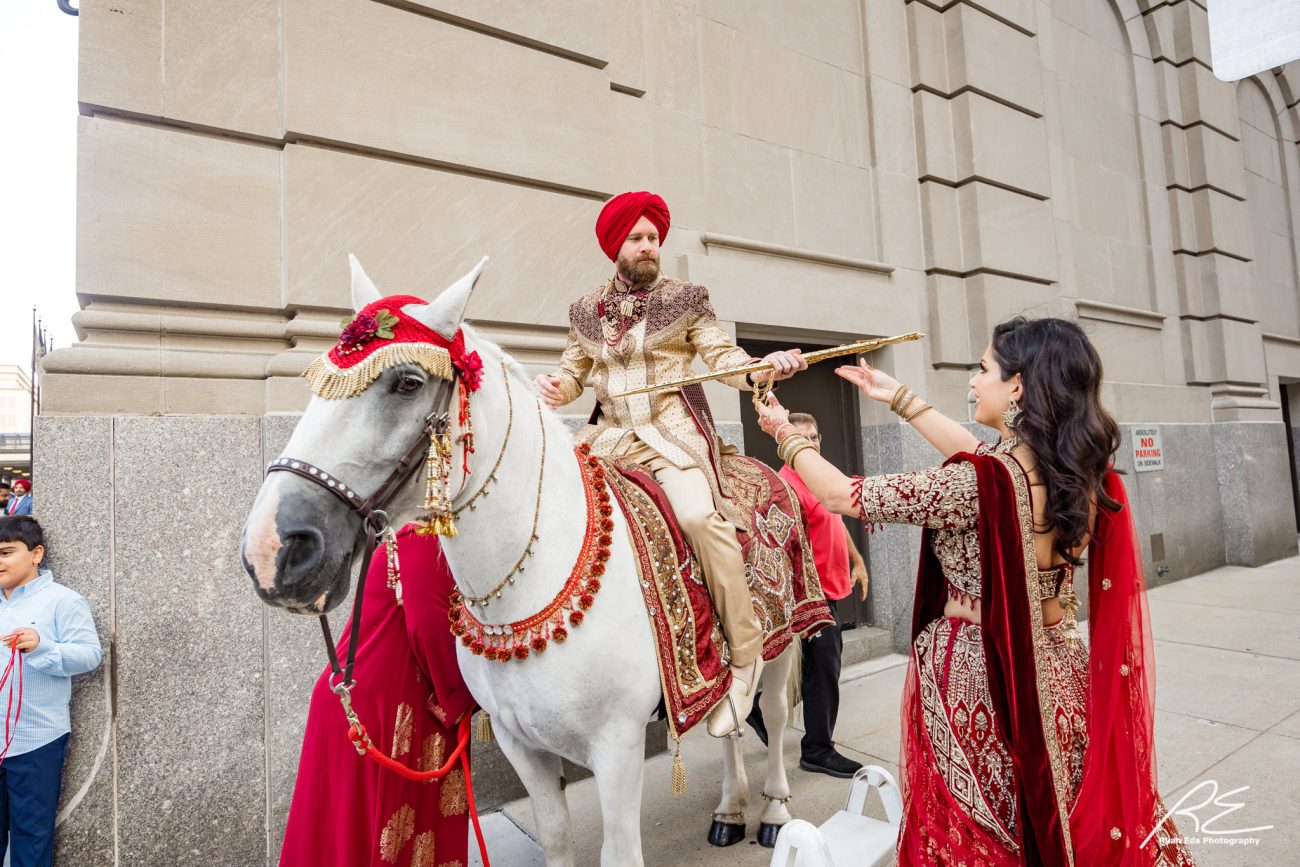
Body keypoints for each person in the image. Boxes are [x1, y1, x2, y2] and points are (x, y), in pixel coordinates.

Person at [755, 317, 1195, 865]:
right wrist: (898, 397)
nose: (971, 381)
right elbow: (980, 455)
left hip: (979, 676)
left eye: (982, 368)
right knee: (1058, 806)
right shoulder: (1081, 470)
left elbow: (844, 495)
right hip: (1060, 670)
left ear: (1019, 386)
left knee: (987, 827)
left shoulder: (978, 484)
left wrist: (783, 434)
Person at [533, 190, 808, 737]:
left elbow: (723, 360)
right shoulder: (584, 311)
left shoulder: (688, 299)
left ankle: (745, 656)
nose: (648, 247)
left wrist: (763, 367)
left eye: (654, 238)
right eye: (637, 239)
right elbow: (572, 373)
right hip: (607, 439)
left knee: (698, 519)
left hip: (671, 437)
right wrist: (552, 388)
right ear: (616, 246)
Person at [280, 528, 475, 867]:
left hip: (359, 702)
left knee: (340, 837)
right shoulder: (423, 534)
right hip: (386, 710)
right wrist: (463, 700)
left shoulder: (406, 533)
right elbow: (428, 626)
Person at [747, 412, 870, 778]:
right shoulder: (782, 489)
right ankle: (817, 748)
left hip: (831, 587)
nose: (812, 444)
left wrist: (857, 560)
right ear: (786, 446)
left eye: (815, 437)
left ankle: (757, 710)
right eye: (802, 439)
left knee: (810, 670)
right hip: (808, 599)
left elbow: (834, 516)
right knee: (824, 668)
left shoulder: (821, 477)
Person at [0, 515, 104, 867]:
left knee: (31, 836)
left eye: (5, 553)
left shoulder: (63, 601)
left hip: (36, 739)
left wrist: (42, 646)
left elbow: (90, 655)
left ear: (36, 553)